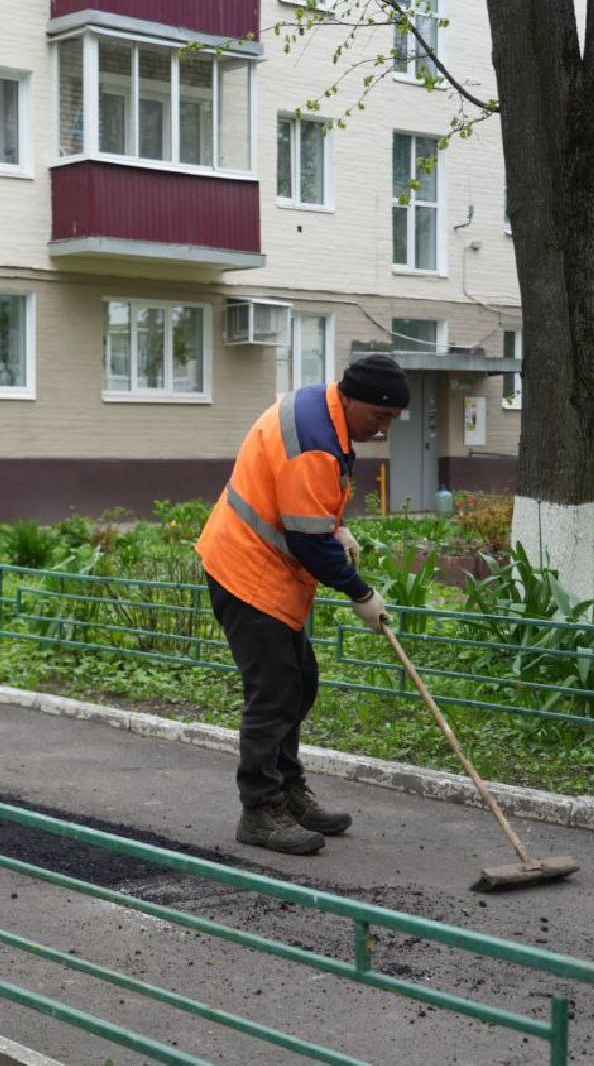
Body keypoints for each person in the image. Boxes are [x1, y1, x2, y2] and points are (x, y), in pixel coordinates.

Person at [196, 354, 407, 855]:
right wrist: (361, 593)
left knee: (299, 682)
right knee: (274, 691)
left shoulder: (323, 409)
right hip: (247, 571)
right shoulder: (315, 442)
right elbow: (308, 541)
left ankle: (288, 790)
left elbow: (302, 504)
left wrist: (335, 525)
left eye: (391, 421)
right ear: (353, 399)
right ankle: (259, 810)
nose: (381, 431)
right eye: (379, 418)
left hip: (267, 569)